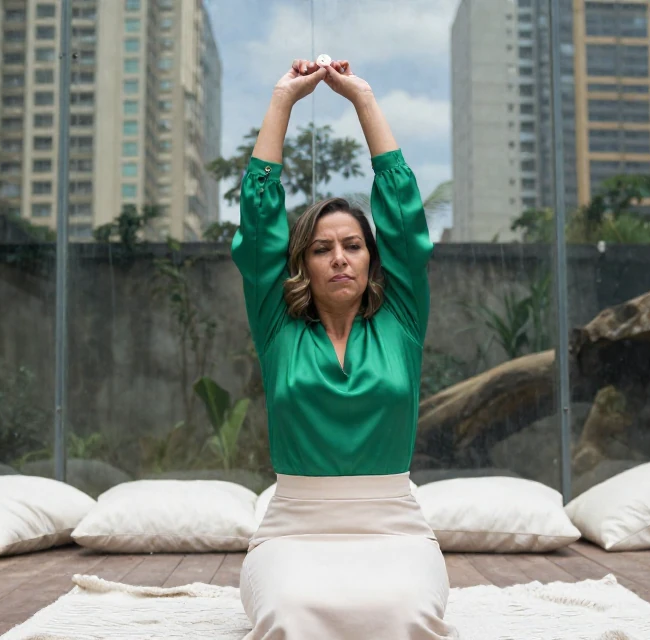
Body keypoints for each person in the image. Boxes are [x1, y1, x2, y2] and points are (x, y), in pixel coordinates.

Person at [232, 58, 457, 639]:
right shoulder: (277, 326)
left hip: (394, 526)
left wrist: (362, 99)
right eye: (322, 248)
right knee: (287, 617)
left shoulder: (402, 320)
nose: (338, 258)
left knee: (407, 617)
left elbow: (405, 220)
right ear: (302, 262)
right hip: (293, 528)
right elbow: (257, 224)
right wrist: (283, 98)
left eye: (353, 245)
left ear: (370, 259)